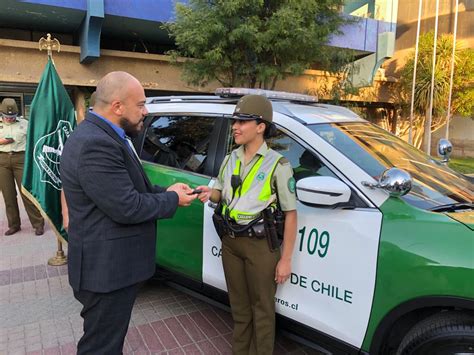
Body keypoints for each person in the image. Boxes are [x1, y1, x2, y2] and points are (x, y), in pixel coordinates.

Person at [60, 71, 210, 354]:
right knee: (100, 347)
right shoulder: (95, 143)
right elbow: (126, 206)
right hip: (105, 273)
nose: (146, 111)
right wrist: (172, 201)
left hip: (110, 268)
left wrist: (167, 191)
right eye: (141, 104)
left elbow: (129, 187)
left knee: (106, 343)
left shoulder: (106, 135)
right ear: (117, 106)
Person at [208, 95, 297, 354]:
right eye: (235, 121)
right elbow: (220, 192)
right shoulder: (230, 159)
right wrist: (207, 192)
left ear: (261, 126)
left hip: (260, 247)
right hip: (231, 242)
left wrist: (286, 259)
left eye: (243, 121)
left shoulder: (278, 165)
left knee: (263, 310)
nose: (235, 126)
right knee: (239, 307)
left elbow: (291, 214)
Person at [0, 98, 44, 236]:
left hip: (21, 159)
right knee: (8, 195)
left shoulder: (25, 124)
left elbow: (34, 141)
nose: (10, 119)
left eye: (12, 116)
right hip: (2, 160)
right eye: (7, 116)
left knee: (26, 192)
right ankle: (14, 225)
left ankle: (38, 224)